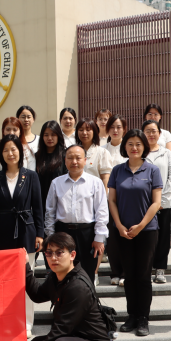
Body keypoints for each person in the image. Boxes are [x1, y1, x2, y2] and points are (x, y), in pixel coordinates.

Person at [0, 134, 43, 336]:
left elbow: (38, 207)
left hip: (26, 232)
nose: (10, 153)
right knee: (5, 281)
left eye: (14, 149)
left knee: (26, 280)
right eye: (5, 150)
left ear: (20, 152)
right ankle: (7, 321)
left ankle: (26, 323)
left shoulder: (31, 176)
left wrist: (40, 234)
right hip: (2, 233)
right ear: (0, 155)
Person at [108, 129, 163, 337]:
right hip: (122, 232)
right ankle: (131, 316)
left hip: (146, 231)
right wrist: (119, 225)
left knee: (143, 275)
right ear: (125, 147)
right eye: (130, 143)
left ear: (144, 147)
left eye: (138, 144)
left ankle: (143, 318)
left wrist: (140, 225)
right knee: (129, 276)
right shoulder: (117, 171)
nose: (134, 148)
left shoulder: (152, 170)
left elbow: (156, 203)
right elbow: (112, 200)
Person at [45, 145, 108, 281]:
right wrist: (51, 237)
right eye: (70, 158)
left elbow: (102, 212)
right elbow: (50, 212)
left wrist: (99, 237)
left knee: (87, 274)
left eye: (78, 158)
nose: (74, 161)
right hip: (63, 232)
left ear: (85, 160)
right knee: (63, 275)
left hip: (87, 235)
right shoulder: (56, 183)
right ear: (65, 160)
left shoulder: (95, 182)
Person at [75, 118, 113, 286]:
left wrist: (102, 201)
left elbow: (105, 179)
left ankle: (94, 272)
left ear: (95, 132)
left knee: (96, 239)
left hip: (95, 201)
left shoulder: (101, 152)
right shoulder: (73, 150)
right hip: (76, 202)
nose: (84, 133)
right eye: (81, 129)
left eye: (88, 129)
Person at [142, 120, 171, 285]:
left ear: (159, 133)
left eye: (154, 131)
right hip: (143, 204)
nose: (151, 134)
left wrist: (161, 199)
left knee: (163, 237)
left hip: (164, 203)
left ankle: (160, 269)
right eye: (147, 131)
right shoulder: (140, 153)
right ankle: (146, 268)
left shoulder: (166, 153)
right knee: (146, 237)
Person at [104, 114, 128, 285]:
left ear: (124, 129)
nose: (115, 130)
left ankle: (125, 272)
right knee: (112, 238)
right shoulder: (102, 149)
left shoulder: (129, 148)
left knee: (125, 235)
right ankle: (115, 272)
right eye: (112, 127)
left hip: (126, 199)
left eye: (119, 127)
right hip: (107, 200)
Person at [35, 121, 67, 218]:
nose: (49, 138)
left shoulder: (65, 156)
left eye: (53, 134)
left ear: (59, 136)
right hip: (41, 202)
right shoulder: (36, 156)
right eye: (46, 135)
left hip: (61, 203)